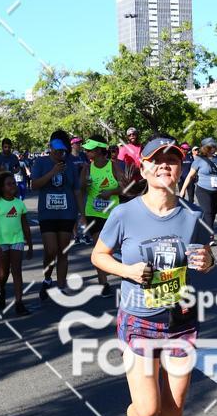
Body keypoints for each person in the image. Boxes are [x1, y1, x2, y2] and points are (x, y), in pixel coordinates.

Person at [91, 136, 215, 416]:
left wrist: (208, 262)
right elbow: (99, 256)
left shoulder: (193, 215)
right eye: (156, 160)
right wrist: (127, 271)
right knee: (147, 408)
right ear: (143, 168)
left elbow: (203, 258)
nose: (164, 166)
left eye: (172, 160)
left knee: (175, 404)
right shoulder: (124, 213)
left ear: (180, 169)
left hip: (181, 318)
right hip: (139, 319)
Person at [32, 136, 84, 298]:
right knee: (51, 250)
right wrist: (52, 172)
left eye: (63, 151)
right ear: (50, 148)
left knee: (63, 251)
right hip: (47, 214)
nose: (60, 154)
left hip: (66, 213)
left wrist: (82, 214)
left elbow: (76, 190)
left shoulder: (69, 165)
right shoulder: (41, 163)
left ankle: (61, 286)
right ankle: (47, 278)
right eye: (57, 151)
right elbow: (34, 185)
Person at [80, 136, 124, 296]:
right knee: (99, 248)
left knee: (114, 249)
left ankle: (125, 276)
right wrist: (82, 215)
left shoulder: (112, 166)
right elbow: (80, 191)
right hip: (93, 213)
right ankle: (103, 283)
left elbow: (125, 187)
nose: (86, 152)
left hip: (113, 214)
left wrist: (111, 192)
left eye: (89, 150)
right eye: (86, 149)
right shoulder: (86, 168)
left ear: (99, 150)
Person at [0, 171, 32, 316]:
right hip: (2, 242)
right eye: (9, 184)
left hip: (17, 240)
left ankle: (19, 303)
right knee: (4, 272)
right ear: (2, 187)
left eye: (14, 183)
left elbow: (25, 225)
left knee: (17, 271)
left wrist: (30, 244)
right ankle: (1, 288)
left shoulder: (19, 204)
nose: (13, 186)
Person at [179, 137, 217, 236]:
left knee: (213, 213)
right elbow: (190, 175)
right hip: (203, 190)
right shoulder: (199, 160)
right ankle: (210, 235)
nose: (214, 148)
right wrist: (183, 190)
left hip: (216, 191)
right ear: (206, 148)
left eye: (215, 146)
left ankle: (203, 231)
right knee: (208, 212)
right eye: (212, 146)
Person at [118, 127, 145, 200]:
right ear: (127, 137)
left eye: (133, 134)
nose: (132, 136)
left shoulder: (143, 147)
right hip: (129, 182)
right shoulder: (124, 149)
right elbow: (119, 165)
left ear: (137, 135)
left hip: (142, 180)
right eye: (129, 135)